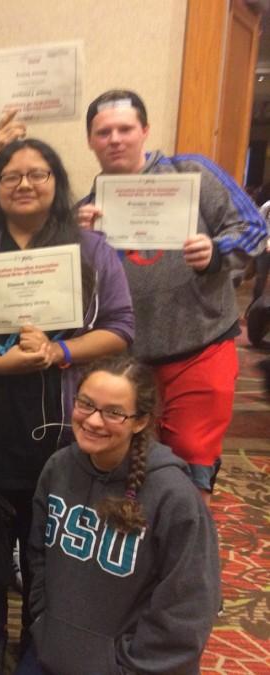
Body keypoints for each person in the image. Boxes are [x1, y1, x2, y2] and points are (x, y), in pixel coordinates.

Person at [0, 138, 134, 667]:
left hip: (61, 420)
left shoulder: (92, 250)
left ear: (57, 183)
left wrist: (59, 351)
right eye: (11, 176)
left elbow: (120, 328)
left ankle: (36, 635)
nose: (25, 184)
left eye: (39, 174)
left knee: (43, 539)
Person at [77, 89, 268, 502]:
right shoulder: (86, 210)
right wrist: (79, 243)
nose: (115, 139)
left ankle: (184, 553)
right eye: (103, 131)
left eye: (125, 128)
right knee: (122, 467)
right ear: (90, 140)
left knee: (190, 470)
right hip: (124, 361)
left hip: (197, 347)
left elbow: (254, 229)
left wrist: (216, 253)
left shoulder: (194, 174)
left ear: (144, 131)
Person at [18, 355, 220, 675]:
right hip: (51, 651)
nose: (94, 421)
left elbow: (190, 603)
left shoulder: (174, 497)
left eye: (114, 412)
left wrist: (129, 666)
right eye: (85, 404)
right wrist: (44, 624)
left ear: (139, 421)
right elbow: (37, 555)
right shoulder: (58, 467)